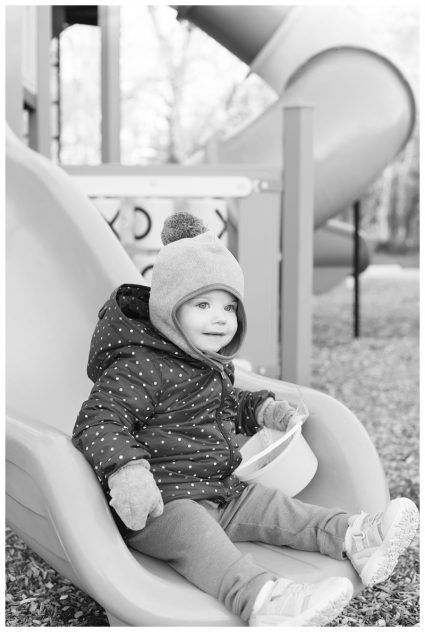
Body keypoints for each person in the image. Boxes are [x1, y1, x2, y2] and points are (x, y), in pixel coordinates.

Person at [73, 212, 418, 626]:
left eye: (229, 306)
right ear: (168, 309)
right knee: (201, 541)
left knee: (277, 507)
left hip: (220, 490)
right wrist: (128, 470)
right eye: (203, 305)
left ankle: (355, 537)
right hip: (162, 505)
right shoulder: (140, 366)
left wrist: (261, 409)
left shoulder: (205, 364)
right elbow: (99, 420)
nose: (220, 317)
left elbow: (225, 403)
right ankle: (264, 601)